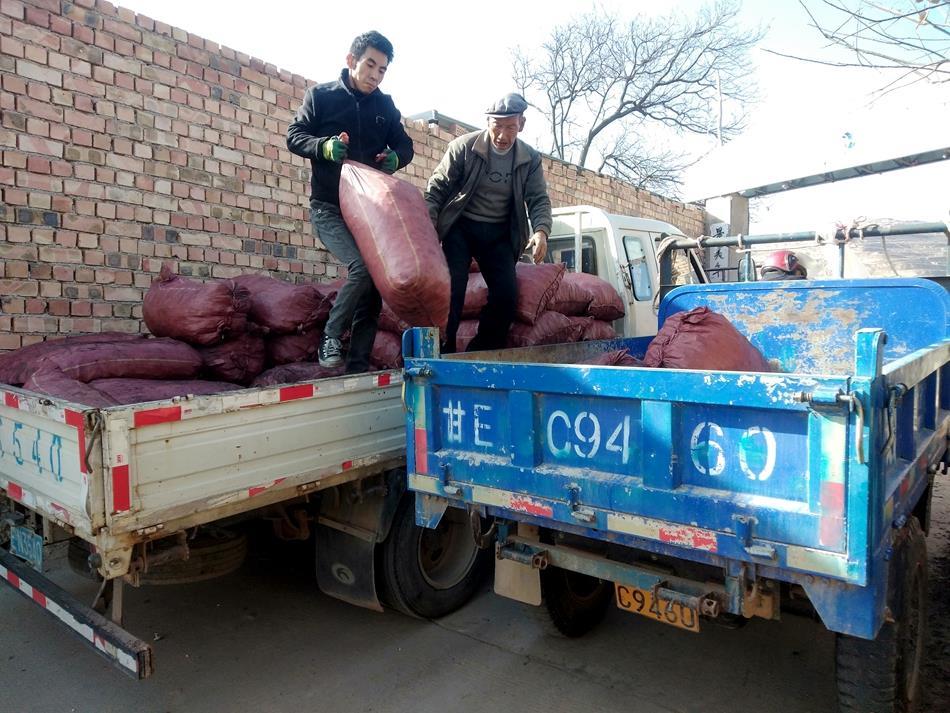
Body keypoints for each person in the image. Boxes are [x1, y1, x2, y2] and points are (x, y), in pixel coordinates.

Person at [286, 31, 414, 372]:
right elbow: (294, 136)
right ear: (351, 60)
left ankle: (357, 366)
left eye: (382, 70)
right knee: (362, 267)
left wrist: (395, 159)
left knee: (372, 291)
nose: (375, 75)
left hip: (368, 211)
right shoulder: (321, 97)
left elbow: (406, 146)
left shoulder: (385, 107)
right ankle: (331, 335)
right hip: (329, 207)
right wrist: (324, 146)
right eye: (370, 65)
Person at [425, 92, 552, 353]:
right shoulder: (463, 148)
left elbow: (538, 198)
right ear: (487, 122)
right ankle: (444, 350)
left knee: (506, 296)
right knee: (452, 290)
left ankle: (480, 351)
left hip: (498, 234)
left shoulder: (529, 158)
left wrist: (541, 231)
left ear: (521, 124)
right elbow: (436, 189)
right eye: (497, 126)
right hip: (460, 228)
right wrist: (428, 228)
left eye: (510, 127)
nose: (503, 136)